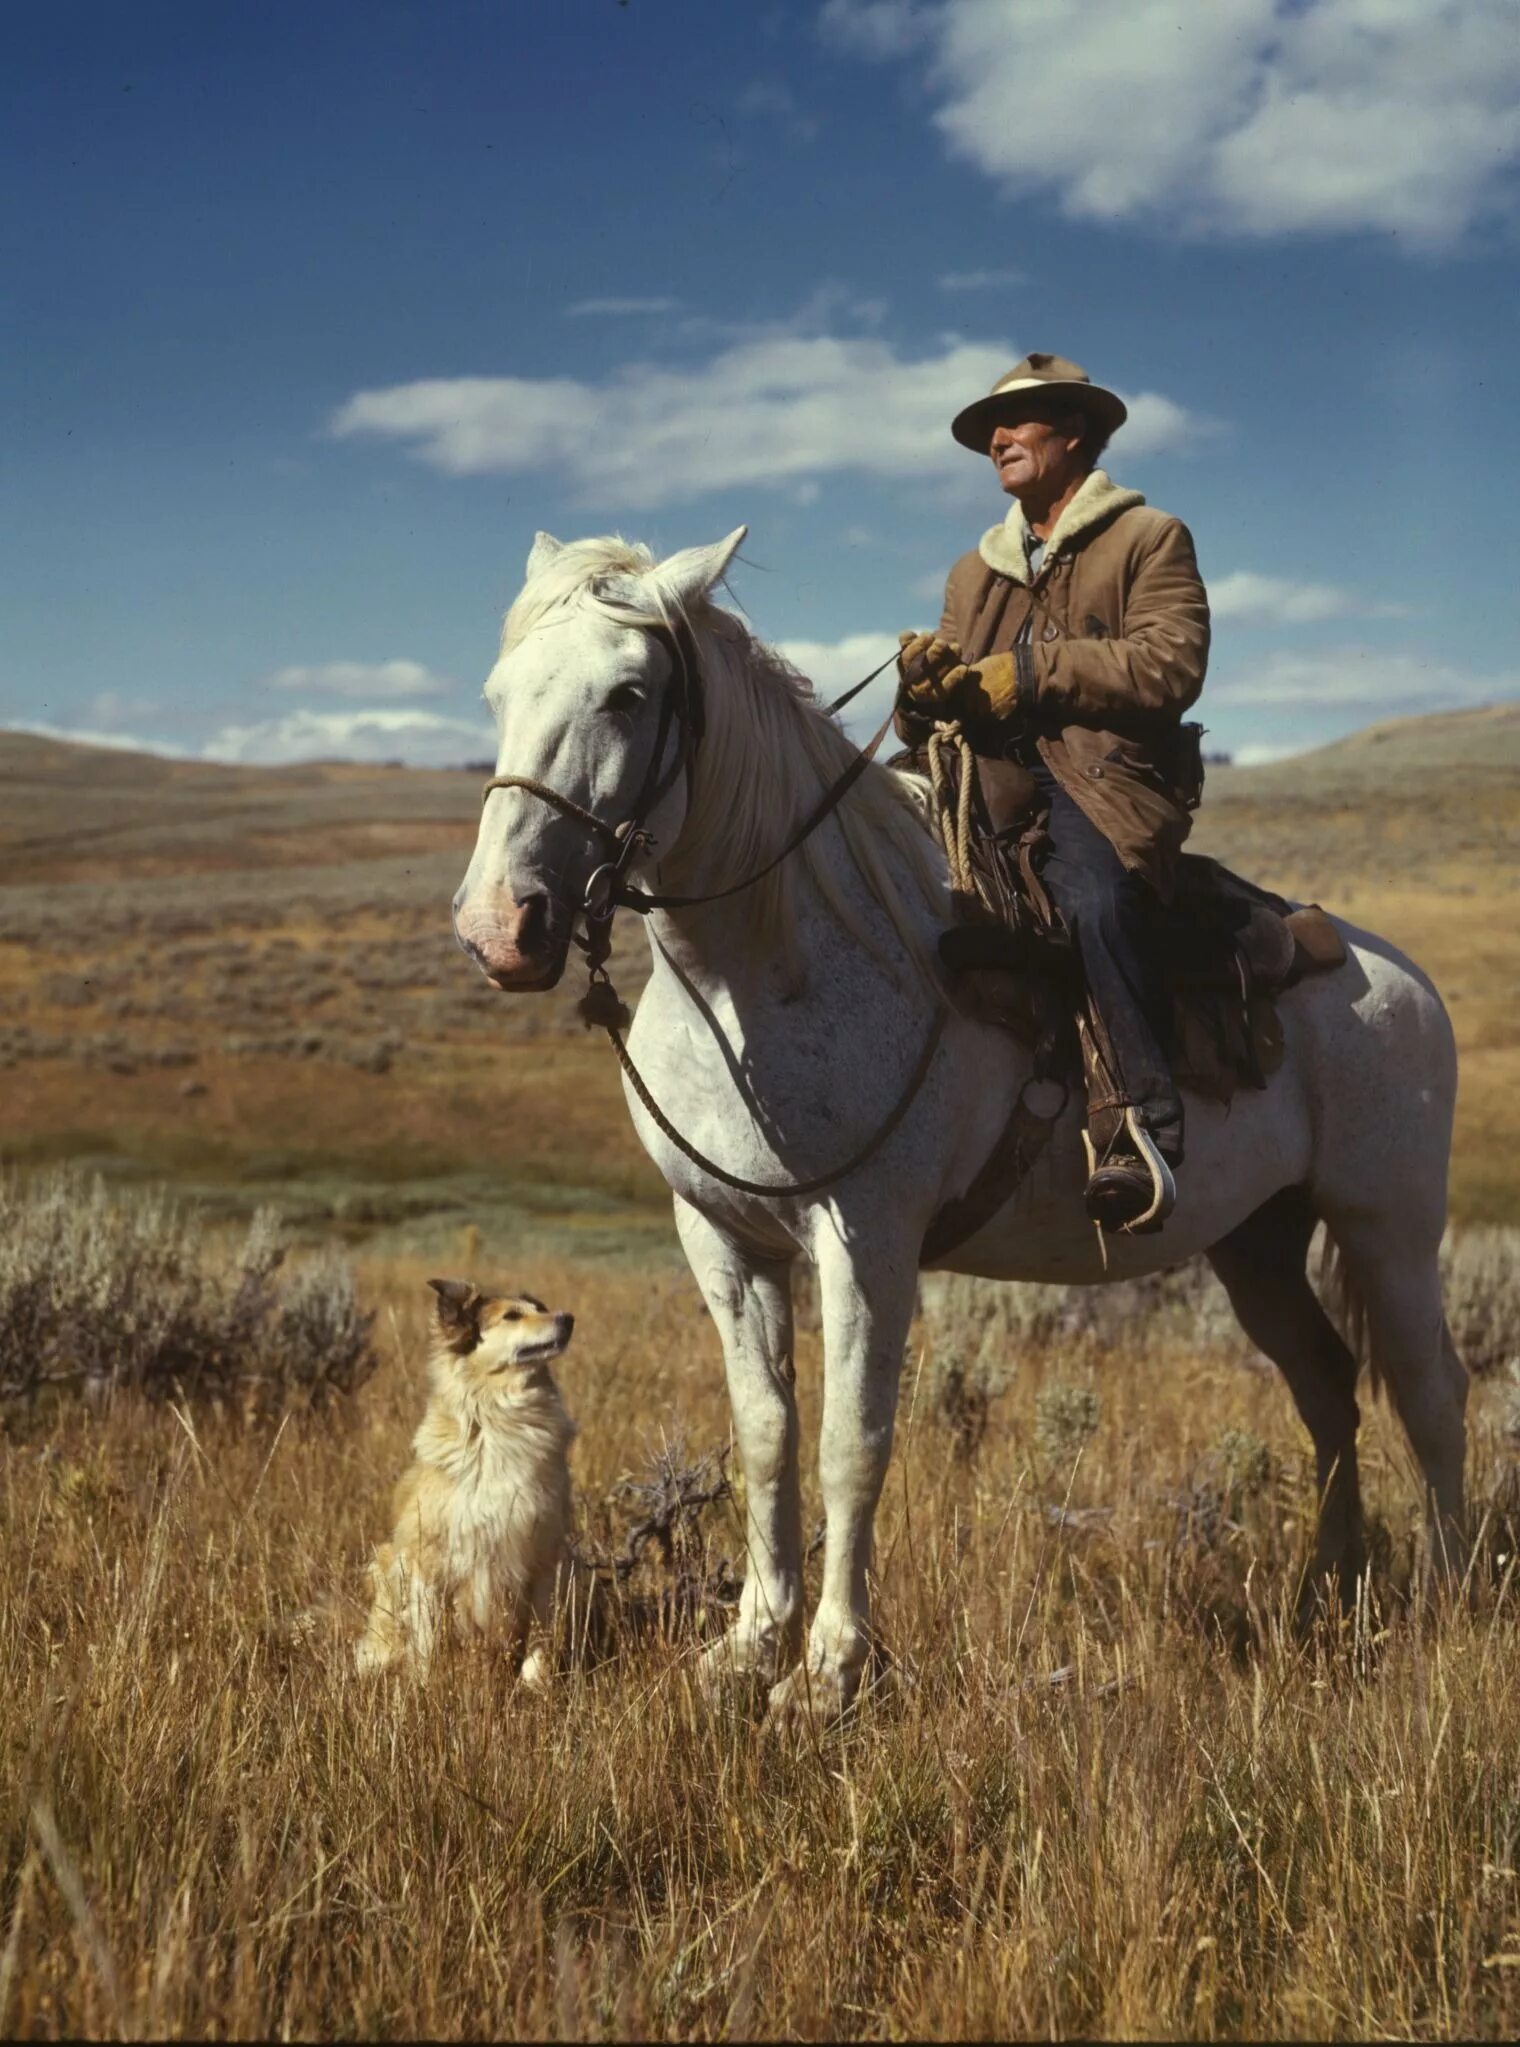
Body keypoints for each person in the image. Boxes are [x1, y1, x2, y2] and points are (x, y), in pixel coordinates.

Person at [897, 352, 1210, 1232]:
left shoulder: (1148, 538)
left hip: (1103, 779)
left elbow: (1169, 664)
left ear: (1073, 432)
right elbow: (953, 696)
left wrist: (1030, 674)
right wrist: (923, 694)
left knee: (1100, 901)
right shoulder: (975, 570)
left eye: (1018, 424)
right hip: (981, 778)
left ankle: (1138, 1122)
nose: (996, 441)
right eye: (989, 433)